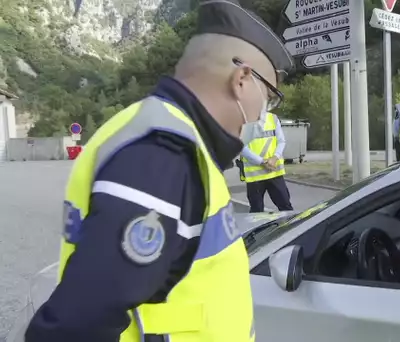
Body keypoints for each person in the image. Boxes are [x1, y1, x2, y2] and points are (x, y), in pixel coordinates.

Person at [24, 1, 293, 341]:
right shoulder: (164, 154)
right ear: (242, 79)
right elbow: (76, 324)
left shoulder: (180, 143)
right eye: (270, 97)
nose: (265, 111)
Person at [240, 111, 293, 213]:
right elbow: (241, 146)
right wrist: (262, 162)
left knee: (286, 207)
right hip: (255, 176)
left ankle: (293, 229)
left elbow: (281, 141)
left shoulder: (272, 118)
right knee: (256, 211)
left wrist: (274, 158)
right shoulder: (242, 120)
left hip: (274, 173)